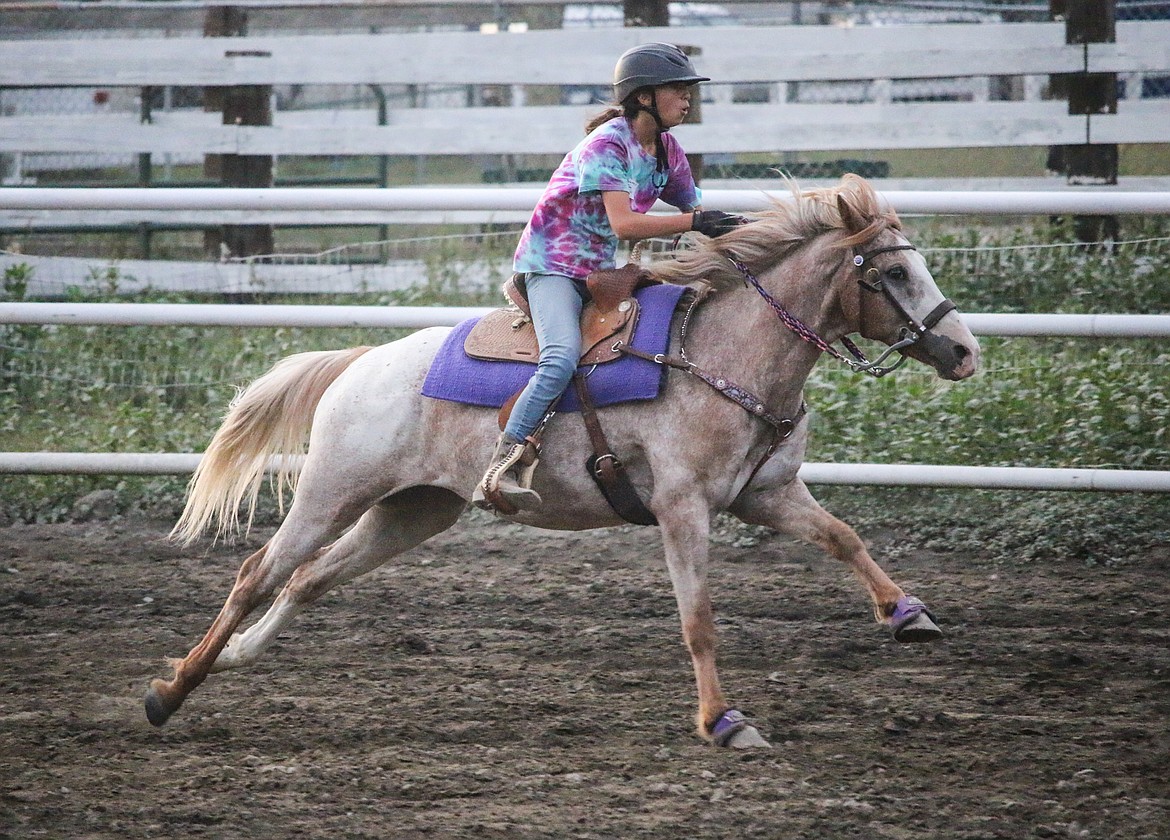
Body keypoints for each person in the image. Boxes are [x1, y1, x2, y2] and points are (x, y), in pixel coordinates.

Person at [473, 42, 746, 513]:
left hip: (599, 272)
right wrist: (695, 224)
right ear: (644, 97)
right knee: (559, 359)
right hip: (552, 268)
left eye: (688, 90)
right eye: (677, 90)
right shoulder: (605, 146)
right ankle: (504, 464)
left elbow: (694, 208)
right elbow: (626, 225)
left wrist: (745, 232)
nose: (687, 99)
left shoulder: (666, 151)